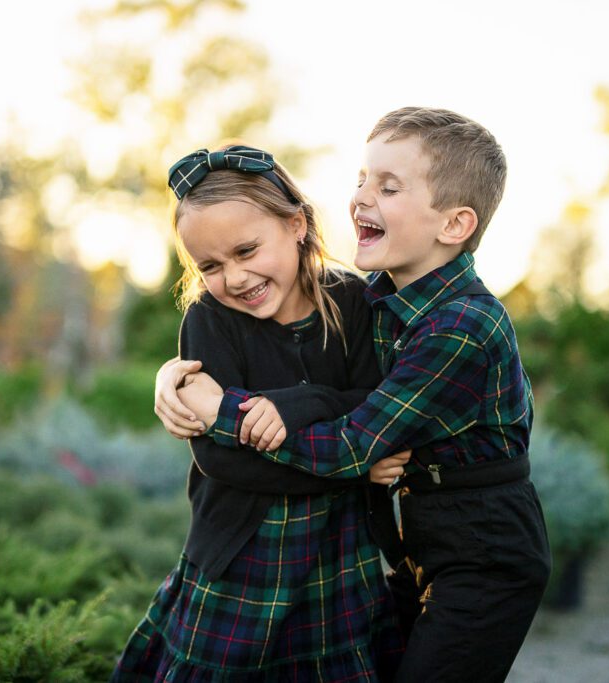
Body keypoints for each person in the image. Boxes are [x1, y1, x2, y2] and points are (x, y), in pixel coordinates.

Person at [161, 108, 552, 682]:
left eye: (388, 187)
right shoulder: (378, 298)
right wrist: (171, 376)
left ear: (453, 225)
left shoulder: (461, 325)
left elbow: (352, 443)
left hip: (485, 548)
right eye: (361, 179)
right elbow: (342, 400)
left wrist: (222, 409)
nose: (361, 197)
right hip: (418, 536)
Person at [110, 145, 404, 682]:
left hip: (339, 557)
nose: (235, 277)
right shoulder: (209, 320)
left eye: (247, 250)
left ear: (295, 224)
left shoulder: (354, 304)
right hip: (241, 556)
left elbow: (373, 407)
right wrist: (356, 465)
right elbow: (221, 460)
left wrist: (298, 405)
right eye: (211, 266)